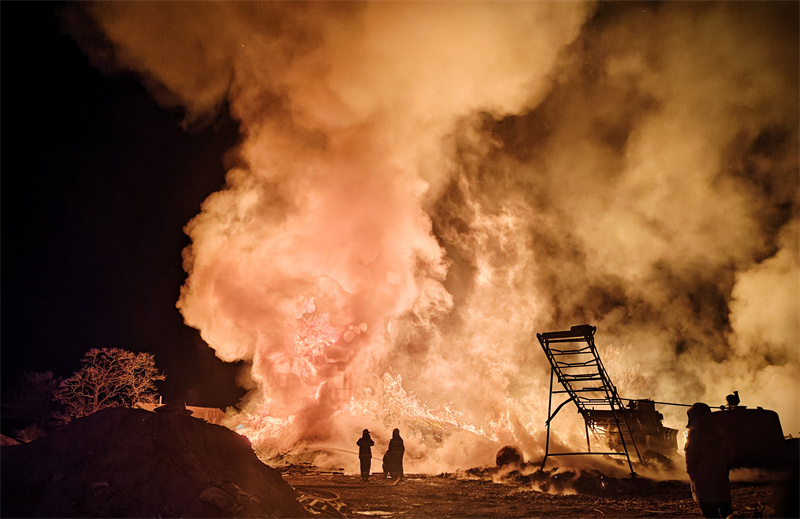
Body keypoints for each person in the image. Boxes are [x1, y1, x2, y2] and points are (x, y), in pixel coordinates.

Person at [685, 402, 733, 518]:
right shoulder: (719, 433)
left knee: (710, 514)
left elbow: (691, 461)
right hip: (721, 483)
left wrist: (693, 475)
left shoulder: (695, 436)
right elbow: (730, 455)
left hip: (704, 484)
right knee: (727, 513)